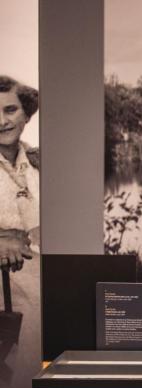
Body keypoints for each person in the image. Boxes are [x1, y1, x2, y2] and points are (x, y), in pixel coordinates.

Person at [0, 76, 39, 274]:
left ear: (27, 114)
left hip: (43, 286)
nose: (1, 122)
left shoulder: (41, 163)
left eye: (10, 110)